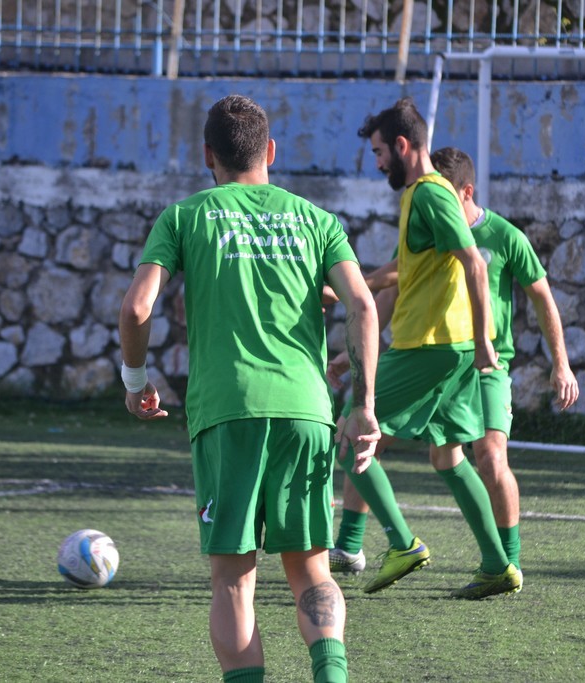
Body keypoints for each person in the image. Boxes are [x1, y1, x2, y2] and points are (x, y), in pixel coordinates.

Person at [118, 94, 380, 683]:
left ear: (207, 155)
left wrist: (136, 381)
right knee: (312, 571)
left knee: (233, 581)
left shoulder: (185, 216)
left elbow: (136, 308)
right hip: (307, 411)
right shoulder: (316, 220)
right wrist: (364, 406)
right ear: (271, 152)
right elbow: (362, 305)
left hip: (227, 411)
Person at [329, 147, 579, 577]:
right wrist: (353, 317)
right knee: (375, 440)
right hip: (437, 359)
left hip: (487, 363)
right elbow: (394, 284)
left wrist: (562, 364)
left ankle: (507, 561)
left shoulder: (504, 236)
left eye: (447, 196)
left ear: (466, 192)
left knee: (489, 456)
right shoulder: (430, 221)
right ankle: (350, 547)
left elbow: (542, 297)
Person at [329, 97, 522, 600]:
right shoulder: (422, 195)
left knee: (350, 436)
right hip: (448, 349)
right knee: (448, 456)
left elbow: (475, 263)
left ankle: (402, 544)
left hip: (431, 347)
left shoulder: (430, 193)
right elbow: (404, 272)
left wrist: (484, 341)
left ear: (401, 145)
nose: (377, 164)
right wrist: (347, 290)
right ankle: (497, 565)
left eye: (378, 153)